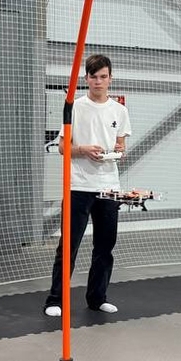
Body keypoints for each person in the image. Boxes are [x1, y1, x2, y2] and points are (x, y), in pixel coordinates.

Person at [44, 54, 132, 318]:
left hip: (109, 187)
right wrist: (83, 149)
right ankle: (55, 299)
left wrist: (118, 150)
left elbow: (121, 146)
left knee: (105, 246)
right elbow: (62, 147)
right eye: (94, 77)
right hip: (78, 186)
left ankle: (97, 298)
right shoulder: (75, 107)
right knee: (68, 246)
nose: (98, 81)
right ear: (86, 79)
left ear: (110, 78)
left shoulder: (119, 111)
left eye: (103, 77)